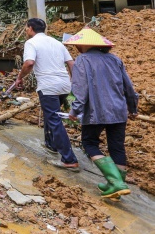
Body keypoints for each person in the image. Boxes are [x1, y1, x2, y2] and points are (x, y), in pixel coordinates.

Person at [64, 28, 139, 199]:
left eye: (78, 44)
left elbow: (80, 90)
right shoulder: (115, 59)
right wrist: (132, 108)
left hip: (96, 111)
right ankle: (116, 186)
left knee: (89, 142)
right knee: (117, 147)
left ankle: (116, 183)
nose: (76, 47)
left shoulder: (83, 60)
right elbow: (129, 87)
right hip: (118, 112)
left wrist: (74, 110)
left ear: (86, 44)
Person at [14, 18, 79, 171]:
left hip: (48, 87)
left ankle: (69, 159)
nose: (25, 31)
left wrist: (19, 78)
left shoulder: (31, 43)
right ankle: (51, 145)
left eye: (26, 28)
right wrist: (74, 85)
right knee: (52, 116)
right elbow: (72, 64)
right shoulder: (57, 43)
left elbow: (29, 63)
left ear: (30, 28)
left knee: (54, 120)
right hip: (65, 86)